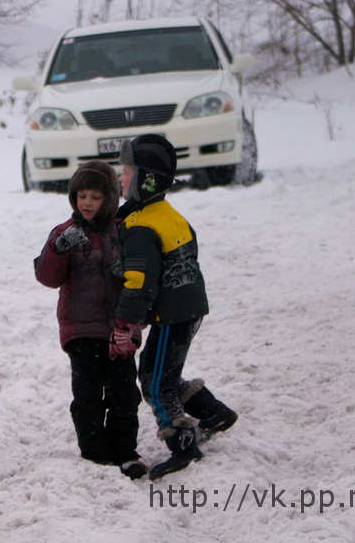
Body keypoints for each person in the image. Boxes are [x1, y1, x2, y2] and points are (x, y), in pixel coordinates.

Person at [111, 134, 237, 480]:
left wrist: (125, 323)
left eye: (125, 172)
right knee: (164, 371)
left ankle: (181, 443)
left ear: (143, 180)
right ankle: (213, 412)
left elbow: (139, 283)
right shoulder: (167, 214)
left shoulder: (141, 226)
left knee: (153, 381)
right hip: (189, 308)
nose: (120, 178)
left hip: (172, 315)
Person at [34, 161, 149, 480]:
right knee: (87, 393)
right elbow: (47, 276)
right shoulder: (64, 233)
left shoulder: (125, 231)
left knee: (124, 392)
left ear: (110, 199)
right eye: (81, 195)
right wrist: (59, 249)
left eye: (95, 197)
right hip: (80, 329)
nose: (86, 202)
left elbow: (143, 272)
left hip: (120, 329)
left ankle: (126, 451)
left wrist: (124, 272)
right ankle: (95, 452)